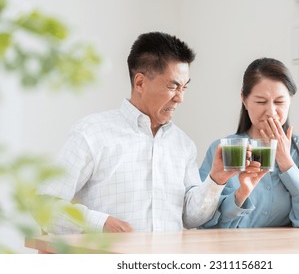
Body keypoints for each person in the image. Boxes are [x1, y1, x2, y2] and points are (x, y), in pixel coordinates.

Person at [37, 32, 262, 234]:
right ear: (140, 82)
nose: (180, 98)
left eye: (184, 87)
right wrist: (101, 223)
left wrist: (216, 179)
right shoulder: (91, 133)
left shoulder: (183, 144)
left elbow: (191, 218)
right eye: (173, 86)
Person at [199, 57, 299, 228]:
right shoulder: (224, 149)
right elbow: (203, 221)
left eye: (279, 102)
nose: (271, 111)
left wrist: (287, 165)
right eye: (261, 102)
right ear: (244, 99)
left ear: (290, 100)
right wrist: (241, 194)